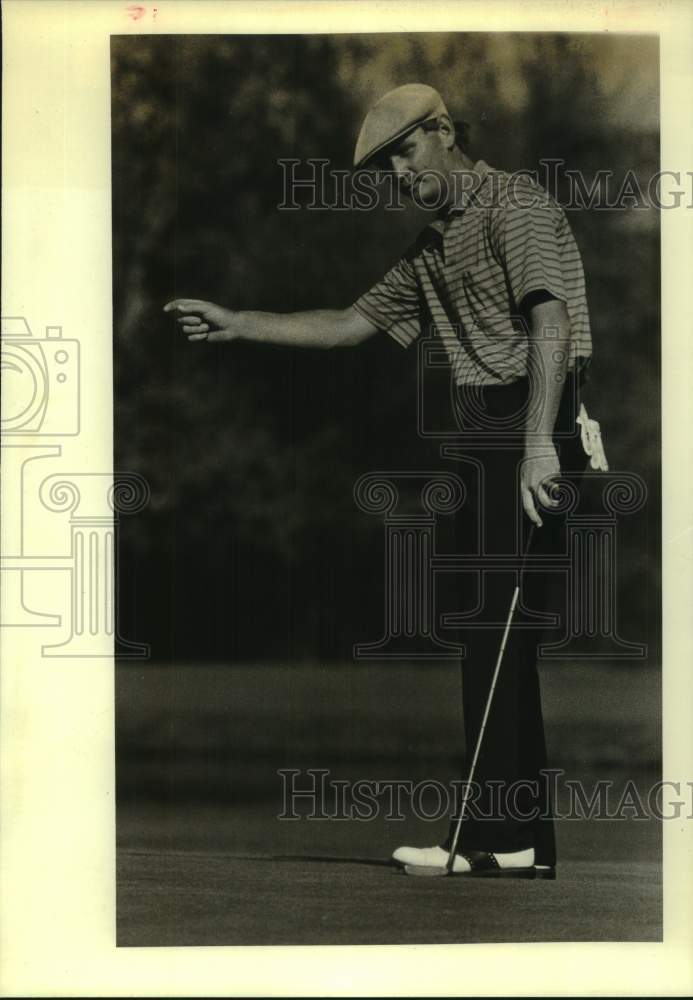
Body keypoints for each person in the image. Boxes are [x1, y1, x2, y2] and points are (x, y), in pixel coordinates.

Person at [164, 83, 593, 878]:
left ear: (442, 132)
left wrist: (538, 445)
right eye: (385, 166)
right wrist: (239, 321)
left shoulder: (515, 204)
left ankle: (496, 838)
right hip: (482, 430)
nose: (397, 174)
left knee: (498, 632)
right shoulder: (432, 246)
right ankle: (520, 841)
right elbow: (348, 324)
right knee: (486, 632)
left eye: (403, 153)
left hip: (531, 420)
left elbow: (552, 322)